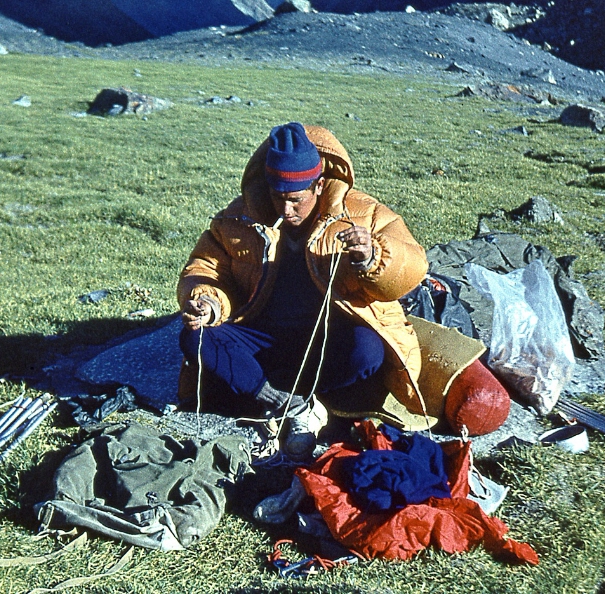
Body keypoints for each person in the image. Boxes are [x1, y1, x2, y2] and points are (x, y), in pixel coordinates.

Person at [176, 122, 429, 458]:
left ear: (319, 186)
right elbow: (206, 269)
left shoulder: (362, 214)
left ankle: (264, 393)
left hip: (326, 339)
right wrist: (207, 301)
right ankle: (290, 404)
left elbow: (413, 266)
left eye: (295, 200)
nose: (285, 210)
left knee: (367, 350)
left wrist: (372, 256)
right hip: (261, 335)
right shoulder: (239, 218)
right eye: (277, 198)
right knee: (195, 338)